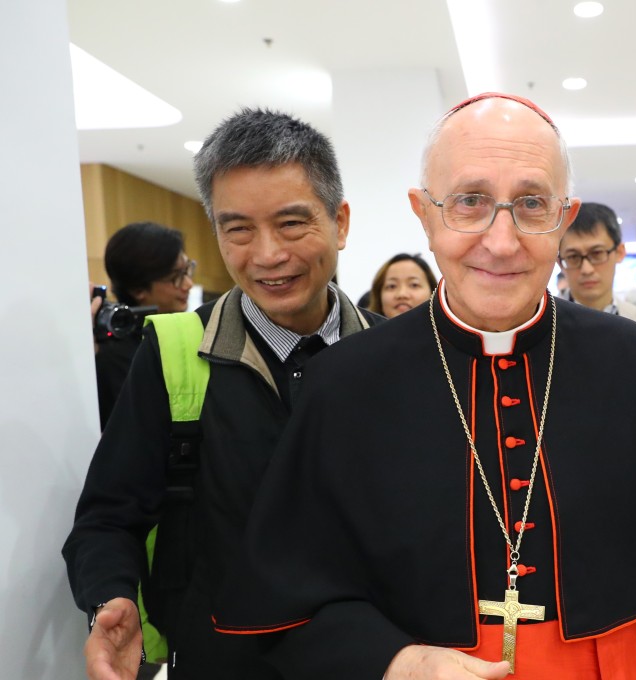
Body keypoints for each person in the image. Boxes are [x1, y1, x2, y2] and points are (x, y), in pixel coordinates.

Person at [213, 93, 636, 679]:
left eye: (531, 204)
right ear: (423, 213)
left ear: (564, 216)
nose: (501, 241)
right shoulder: (344, 383)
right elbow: (290, 602)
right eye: (469, 202)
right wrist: (396, 661)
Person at [63, 108, 383, 680]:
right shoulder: (170, 352)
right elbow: (108, 517)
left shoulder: (399, 353)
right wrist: (111, 596)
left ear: (340, 221)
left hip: (378, 660)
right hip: (223, 660)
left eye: (291, 224)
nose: (266, 255)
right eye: (239, 229)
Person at [95, 222, 195, 429]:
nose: (188, 284)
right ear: (138, 289)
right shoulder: (117, 354)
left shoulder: (173, 333)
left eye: (187, 270)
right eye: (176, 277)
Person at [558, 201, 636, 336]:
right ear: (560, 262)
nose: (587, 269)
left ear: (620, 252)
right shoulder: (541, 327)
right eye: (573, 256)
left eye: (597, 253)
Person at [367, 252, 438, 318]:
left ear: (433, 292)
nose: (402, 294)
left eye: (414, 285)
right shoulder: (364, 331)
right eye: (392, 286)